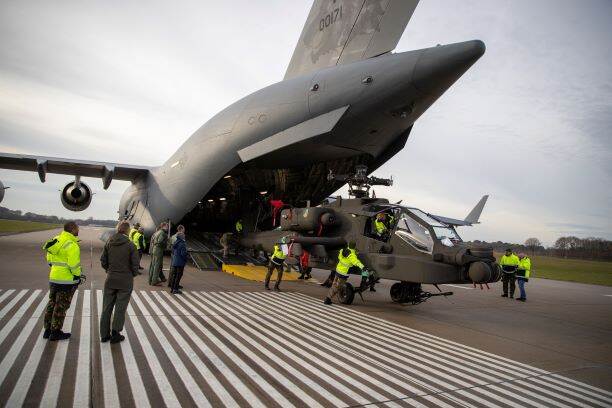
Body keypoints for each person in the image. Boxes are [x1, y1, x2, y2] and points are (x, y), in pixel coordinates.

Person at [41, 221, 82, 341]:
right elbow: (74, 265)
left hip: (54, 278)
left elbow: (48, 257)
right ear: (73, 230)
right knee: (61, 307)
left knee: (52, 303)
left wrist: (55, 268)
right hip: (67, 281)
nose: (78, 230)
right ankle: (56, 332)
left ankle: (47, 330)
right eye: (77, 228)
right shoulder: (72, 245)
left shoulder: (56, 239)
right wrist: (78, 276)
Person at [100, 221, 139, 343]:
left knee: (106, 307)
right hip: (125, 280)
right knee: (120, 308)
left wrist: (109, 270)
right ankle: (115, 333)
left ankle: (104, 334)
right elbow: (135, 265)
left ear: (118, 229)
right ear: (127, 231)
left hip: (110, 278)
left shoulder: (109, 242)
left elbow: (103, 260)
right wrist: (132, 274)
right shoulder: (131, 245)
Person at [169, 229, 188, 294]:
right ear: (181, 237)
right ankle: (175, 289)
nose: (184, 235)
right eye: (183, 235)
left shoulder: (176, 242)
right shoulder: (182, 243)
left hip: (175, 261)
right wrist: (186, 259)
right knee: (179, 275)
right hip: (180, 262)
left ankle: (172, 288)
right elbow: (183, 254)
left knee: (175, 275)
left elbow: (174, 251)